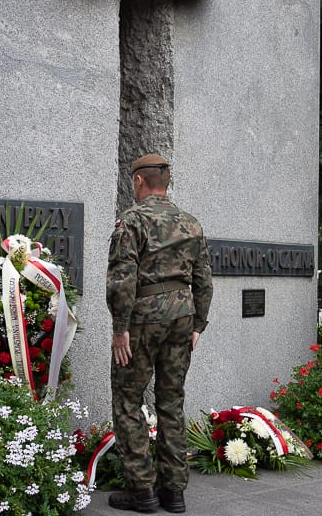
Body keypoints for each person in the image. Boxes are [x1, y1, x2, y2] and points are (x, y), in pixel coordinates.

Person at [106, 153, 214, 513]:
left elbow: (122, 278)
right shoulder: (191, 223)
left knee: (127, 398)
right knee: (171, 402)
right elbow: (204, 280)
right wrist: (198, 324)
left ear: (139, 181)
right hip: (182, 317)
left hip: (142, 320)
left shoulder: (132, 220)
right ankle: (174, 491)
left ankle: (142, 490)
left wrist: (120, 327)